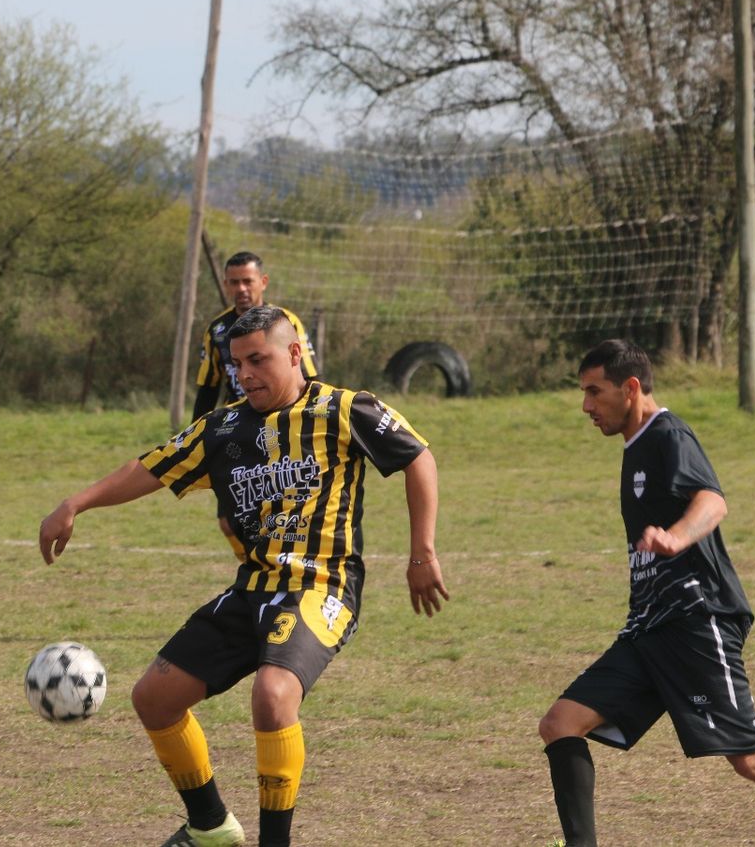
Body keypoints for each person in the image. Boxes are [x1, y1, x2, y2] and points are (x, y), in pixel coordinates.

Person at [40, 306, 449, 847]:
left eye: (258, 359)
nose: (245, 374)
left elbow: (418, 458)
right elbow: (153, 467)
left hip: (321, 587)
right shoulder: (225, 426)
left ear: (295, 353)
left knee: (273, 696)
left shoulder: (346, 409)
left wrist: (421, 551)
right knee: (154, 698)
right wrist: (76, 503)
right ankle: (211, 827)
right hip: (251, 589)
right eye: (237, 364)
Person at [538, 339, 755, 847]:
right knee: (561, 723)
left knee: (751, 760)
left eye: (595, 392)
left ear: (630, 388)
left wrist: (676, 537)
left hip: (695, 622)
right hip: (650, 628)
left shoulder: (667, 435)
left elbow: (711, 500)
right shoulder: (635, 446)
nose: (586, 406)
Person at [193, 251, 318, 423]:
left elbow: (310, 377)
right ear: (226, 285)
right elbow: (208, 389)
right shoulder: (216, 330)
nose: (241, 289)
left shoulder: (287, 321)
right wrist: (196, 434)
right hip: (238, 421)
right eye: (234, 283)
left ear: (263, 282)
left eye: (247, 281)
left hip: (285, 417)